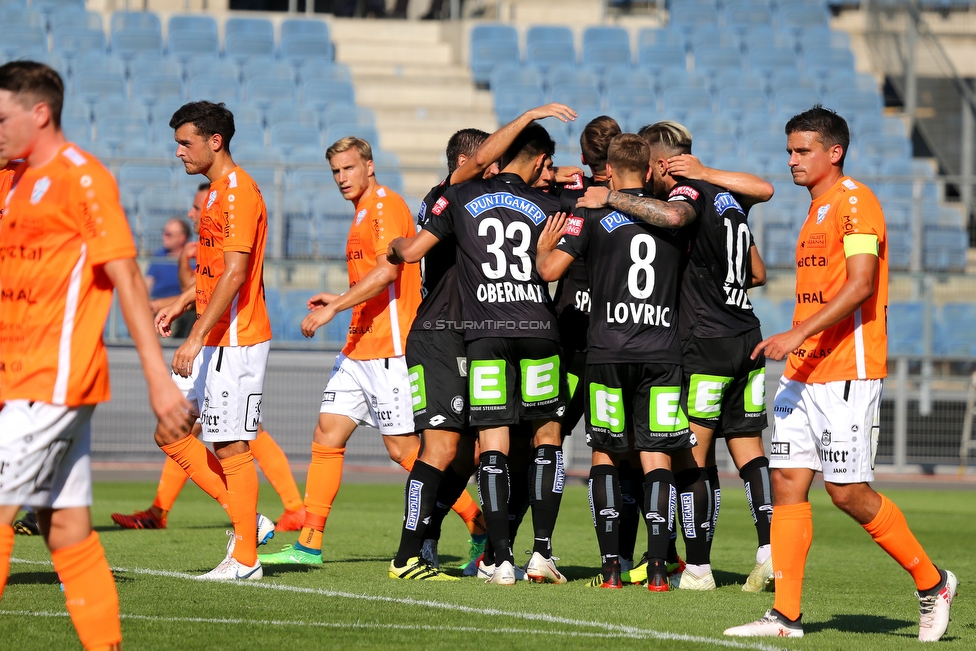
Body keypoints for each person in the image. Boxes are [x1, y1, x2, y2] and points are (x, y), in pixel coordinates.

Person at [724, 106, 956, 640]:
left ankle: (932, 582)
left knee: (847, 492)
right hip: (804, 372)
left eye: (802, 151)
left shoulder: (855, 203)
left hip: (847, 368)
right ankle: (785, 616)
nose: (792, 161)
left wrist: (797, 333)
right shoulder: (816, 211)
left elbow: (861, 284)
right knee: (786, 483)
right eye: (789, 151)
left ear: (835, 152)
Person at [0, 59, 193, 651]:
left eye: (2, 116)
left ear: (40, 113)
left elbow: (127, 279)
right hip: (21, 383)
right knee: (66, 531)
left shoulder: (82, 178)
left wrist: (159, 382)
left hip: (51, 382)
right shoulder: (12, 179)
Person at [581, 122, 777, 591]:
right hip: (746, 332)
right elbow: (756, 271)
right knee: (750, 450)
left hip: (703, 341)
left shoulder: (683, 201)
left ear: (661, 164)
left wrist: (608, 198)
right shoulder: (727, 196)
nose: (646, 176)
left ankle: (699, 567)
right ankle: (770, 550)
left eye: (650, 167)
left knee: (691, 457)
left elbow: (670, 222)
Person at [387, 103, 577, 581]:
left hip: (479, 333)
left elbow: (407, 252)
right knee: (447, 448)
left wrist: (552, 174)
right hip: (450, 335)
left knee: (479, 447)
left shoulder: (468, 200)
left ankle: (490, 554)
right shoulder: (460, 192)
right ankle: (415, 551)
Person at [259, 136, 428, 567]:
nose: (341, 178)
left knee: (404, 451)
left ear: (369, 166)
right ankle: (309, 544)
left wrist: (335, 306)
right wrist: (339, 296)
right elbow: (371, 278)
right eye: (335, 171)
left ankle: (479, 527)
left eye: (348, 169)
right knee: (326, 435)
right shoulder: (361, 212)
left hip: (390, 348)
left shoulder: (385, 206)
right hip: (359, 348)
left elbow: (389, 271)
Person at [539, 133, 695, 591]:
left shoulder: (589, 213)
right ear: (648, 171)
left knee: (605, 452)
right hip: (662, 353)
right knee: (657, 457)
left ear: (608, 170)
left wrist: (542, 246)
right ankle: (660, 567)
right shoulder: (672, 216)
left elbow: (548, 272)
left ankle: (610, 568)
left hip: (606, 351)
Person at [112, 180, 305, 533]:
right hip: (208, 339)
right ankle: (248, 515)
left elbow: (230, 277)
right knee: (177, 428)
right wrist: (181, 301)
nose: (193, 212)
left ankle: (284, 512)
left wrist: (192, 328)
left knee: (230, 437)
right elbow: (203, 281)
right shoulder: (201, 242)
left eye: (198, 208)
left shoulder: (232, 210)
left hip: (228, 340)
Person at [154, 100, 274, 581]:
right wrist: (185, 300)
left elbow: (238, 273)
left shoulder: (238, 193)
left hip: (236, 338)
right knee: (170, 430)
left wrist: (195, 337)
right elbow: (215, 270)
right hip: (215, 333)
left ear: (214, 141)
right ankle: (249, 520)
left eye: (186, 142)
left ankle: (246, 559)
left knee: (230, 445)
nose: (178, 151)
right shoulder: (218, 193)